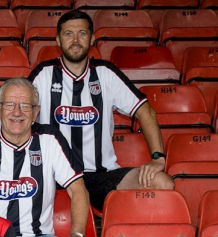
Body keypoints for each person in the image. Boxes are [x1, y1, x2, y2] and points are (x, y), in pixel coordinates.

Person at [29, 9, 173, 210]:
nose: (76, 39)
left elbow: (146, 111)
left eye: (82, 33)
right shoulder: (44, 74)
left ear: (92, 39)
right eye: (68, 34)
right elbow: (18, 112)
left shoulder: (105, 73)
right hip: (54, 175)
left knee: (163, 183)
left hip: (101, 176)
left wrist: (158, 159)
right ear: (58, 40)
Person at [0, 78, 92, 237]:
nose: (17, 112)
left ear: (36, 112)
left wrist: (77, 234)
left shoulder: (50, 139)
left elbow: (78, 189)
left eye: (25, 106)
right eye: (10, 104)